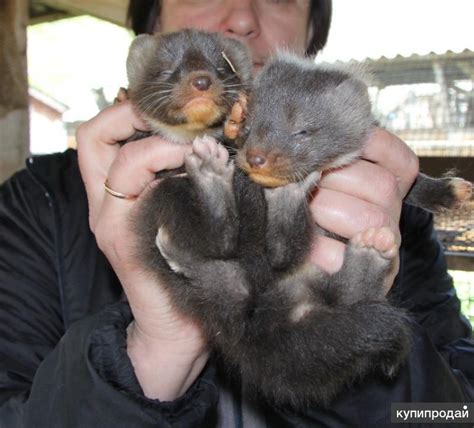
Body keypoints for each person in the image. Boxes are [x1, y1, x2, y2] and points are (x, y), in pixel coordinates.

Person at [0, 1, 472, 426]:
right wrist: (156, 351)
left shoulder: (380, 203)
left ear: (313, 29)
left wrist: (358, 365)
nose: (243, 17)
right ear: (152, 24)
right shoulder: (32, 207)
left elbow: (450, 415)